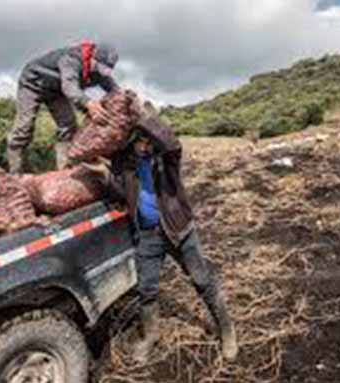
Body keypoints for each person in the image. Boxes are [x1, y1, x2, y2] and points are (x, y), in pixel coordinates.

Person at [84, 109, 239, 363]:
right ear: (132, 143)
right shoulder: (128, 167)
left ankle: (226, 330)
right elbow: (121, 191)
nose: (144, 146)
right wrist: (103, 174)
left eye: (147, 141)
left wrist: (140, 114)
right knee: (147, 289)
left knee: (202, 280)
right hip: (147, 236)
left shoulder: (167, 159)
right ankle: (150, 336)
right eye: (139, 141)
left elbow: (169, 140)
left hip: (179, 231)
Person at [7, 40, 120, 173]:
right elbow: (70, 88)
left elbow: (116, 91)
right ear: (93, 59)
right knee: (24, 127)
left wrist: (128, 102)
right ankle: (16, 171)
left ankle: (65, 171)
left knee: (68, 125)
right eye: (100, 67)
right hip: (33, 84)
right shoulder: (72, 59)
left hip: (56, 91)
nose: (102, 72)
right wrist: (89, 103)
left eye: (106, 69)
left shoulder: (100, 72)